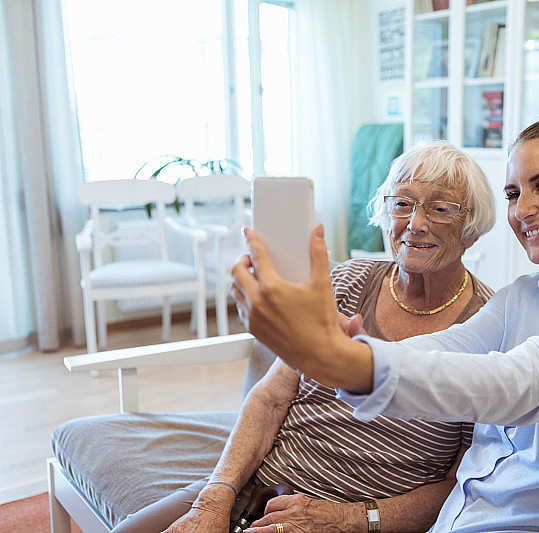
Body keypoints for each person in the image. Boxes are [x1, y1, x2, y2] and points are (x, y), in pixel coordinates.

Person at [231, 116, 539, 532]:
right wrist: (336, 344)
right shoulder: (525, 299)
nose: (522, 209)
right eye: (515, 193)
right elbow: (442, 349)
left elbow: (522, 383)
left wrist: (339, 360)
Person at [112, 141, 496, 533]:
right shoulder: (347, 283)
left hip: (351, 518)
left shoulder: (490, 328)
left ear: (472, 229)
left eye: (441, 208)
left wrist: (349, 519)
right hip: (258, 487)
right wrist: (215, 498)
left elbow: (463, 483)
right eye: (402, 204)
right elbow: (271, 397)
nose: (415, 223)